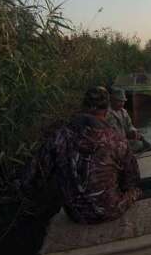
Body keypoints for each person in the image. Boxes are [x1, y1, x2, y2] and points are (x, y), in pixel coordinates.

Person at [20, 86, 141, 224]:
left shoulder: (59, 136)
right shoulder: (117, 140)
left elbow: (30, 180)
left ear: (82, 106)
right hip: (110, 212)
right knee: (135, 189)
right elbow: (132, 180)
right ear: (107, 109)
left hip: (75, 215)